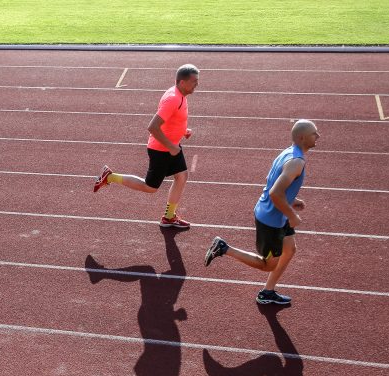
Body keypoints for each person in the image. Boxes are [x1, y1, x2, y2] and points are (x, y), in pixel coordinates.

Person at [203, 120, 320, 306]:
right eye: (315, 133)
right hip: (271, 220)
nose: (318, 136)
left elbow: (270, 180)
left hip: (276, 215)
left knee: (290, 249)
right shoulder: (296, 162)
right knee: (268, 265)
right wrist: (291, 214)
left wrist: (291, 200)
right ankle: (224, 248)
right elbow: (275, 192)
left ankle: (268, 291)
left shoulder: (288, 152)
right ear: (302, 137)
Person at [92, 64, 200, 228]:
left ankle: (169, 217)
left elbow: (172, 120)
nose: (196, 85)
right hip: (161, 149)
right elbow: (153, 127)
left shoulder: (180, 95)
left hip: (171, 147)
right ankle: (110, 177)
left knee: (182, 176)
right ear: (183, 82)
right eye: (194, 81)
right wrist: (171, 146)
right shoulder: (173, 99)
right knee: (150, 187)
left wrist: (182, 130)